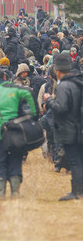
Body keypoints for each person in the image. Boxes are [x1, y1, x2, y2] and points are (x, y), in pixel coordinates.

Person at [0, 68, 37, 199]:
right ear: (5, 78)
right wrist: (33, 114)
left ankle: (0, 193)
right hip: (14, 133)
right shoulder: (14, 89)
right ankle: (15, 192)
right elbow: (29, 93)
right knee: (15, 159)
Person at [47, 53, 83, 200]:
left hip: (69, 129)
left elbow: (60, 108)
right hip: (79, 126)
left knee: (74, 161)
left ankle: (76, 191)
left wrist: (49, 100)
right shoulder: (78, 83)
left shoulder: (64, 86)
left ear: (57, 71)